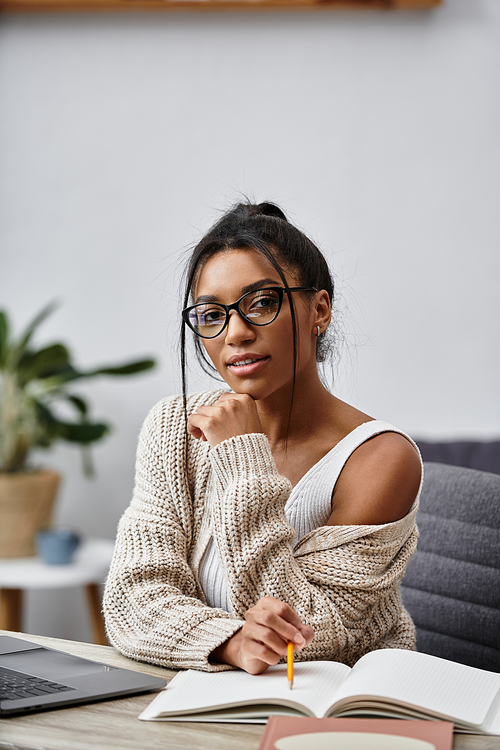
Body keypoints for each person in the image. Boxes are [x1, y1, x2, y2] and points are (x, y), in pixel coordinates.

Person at [103, 201, 423, 675]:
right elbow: (133, 599)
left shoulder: (381, 458)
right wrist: (229, 640)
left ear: (319, 309)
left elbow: (313, 633)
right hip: (209, 700)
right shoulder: (176, 426)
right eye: (212, 314)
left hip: (339, 713)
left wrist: (243, 458)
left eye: (262, 303)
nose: (235, 332)